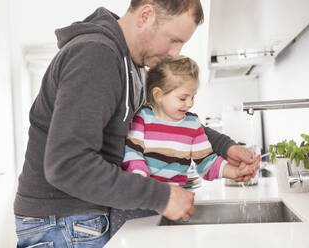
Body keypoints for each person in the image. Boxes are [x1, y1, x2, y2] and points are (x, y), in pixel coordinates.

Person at [14, 1, 258, 247]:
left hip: (77, 220)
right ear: (146, 15)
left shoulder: (129, 65)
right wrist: (161, 196)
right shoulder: (96, 56)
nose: (175, 53)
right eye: (174, 40)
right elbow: (67, 164)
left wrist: (224, 147)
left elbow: (160, 122)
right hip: (66, 223)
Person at [109, 56, 260, 236]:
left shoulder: (192, 124)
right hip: (138, 204)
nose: (190, 103)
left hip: (174, 204)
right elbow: (133, 156)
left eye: (193, 97)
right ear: (158, 95)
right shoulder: (142, 118)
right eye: (183, 98)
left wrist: (233, 172)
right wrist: (147, 190)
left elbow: (207, 161)